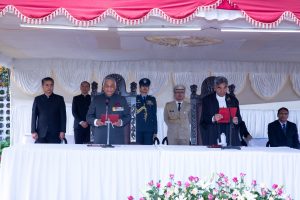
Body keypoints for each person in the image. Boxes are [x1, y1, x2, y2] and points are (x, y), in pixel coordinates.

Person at [86, 77, 130, 144]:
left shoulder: (121, 99)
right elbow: (88, 117)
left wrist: (121, 122)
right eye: (107, 86)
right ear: (103, 87)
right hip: (100, 137)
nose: (109, 88)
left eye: (112, 86)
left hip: (117, 137)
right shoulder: (96, 100)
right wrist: (96, 121)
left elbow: (128, 116)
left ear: (115, 88)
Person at [200, 76, 242, 146]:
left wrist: (236, 120)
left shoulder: (233, 100)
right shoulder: (207, 100)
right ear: (215, 88)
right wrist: (213, 118)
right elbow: (204, 119)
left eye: (225, 88)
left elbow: (239, 118)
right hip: (214, 129)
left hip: (229, 129)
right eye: (219, 88)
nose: (222, 91)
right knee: (212, 128)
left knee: (232, 128)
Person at [31, 77, 66, 143]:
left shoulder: (59, 99)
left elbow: (63, 116)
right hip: (40, 133)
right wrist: (33, 131)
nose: (49, 87)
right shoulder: (37, 99)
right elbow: (34, 116)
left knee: (55, 153)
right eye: (47, 85)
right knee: (40, 153)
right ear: (42, 86)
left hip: (56, 133)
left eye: (51, 85)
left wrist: (63, 131)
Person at [136, 78, 157, 145]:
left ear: (148, 88)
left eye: (146, 86)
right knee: (137, 150)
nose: (145, 88)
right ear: (139, 88)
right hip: (137, 129)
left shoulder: (152, 99)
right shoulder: (135, 98)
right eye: (143, 86)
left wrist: (155, 131)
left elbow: (154, 115)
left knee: (148, 150)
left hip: (149, 130)